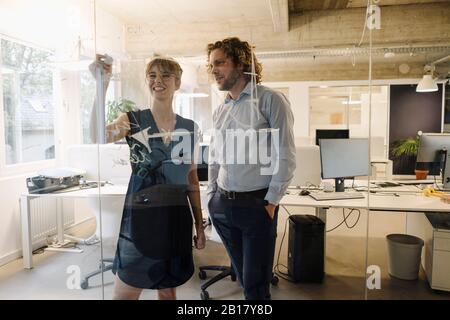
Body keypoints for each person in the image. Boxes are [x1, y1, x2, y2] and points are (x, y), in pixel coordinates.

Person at [90, 55, 206, 300]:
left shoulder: (190, 127)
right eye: (152, 75)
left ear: (177, 81)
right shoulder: (133, 121)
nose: (158, 81)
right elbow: (97, 135)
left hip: (175, 218)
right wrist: (102, 85)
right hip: (141, 218)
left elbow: (191, 177)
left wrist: (199, 224)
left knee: (167, 290)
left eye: (165, 75)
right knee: (125, 292)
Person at [206, 37, 296, 300]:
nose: (214, 70)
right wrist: (212, 196)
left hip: (257, 205)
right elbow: (214, 156)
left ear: (240, 62)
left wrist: (271, 202)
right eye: (211, 65)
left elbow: (286, 155)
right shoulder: (221, 109)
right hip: (223, 204)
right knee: (245, 278)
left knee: (256, 286)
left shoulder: (270, 100)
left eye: (220, 63)